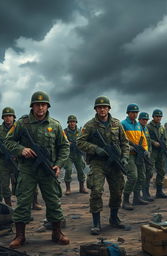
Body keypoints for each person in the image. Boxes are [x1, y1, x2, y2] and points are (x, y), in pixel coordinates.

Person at [5, 91, 70, 248]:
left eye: (43, 104)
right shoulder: (22, 123)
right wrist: (21, 149)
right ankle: (20, 236)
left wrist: (59, 164)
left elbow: (64, 146)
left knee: (54, 201)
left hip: (48, 169)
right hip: (27, 169)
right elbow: (8, 141)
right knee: (23, 202)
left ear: (47, 106)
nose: (40, 107)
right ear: (32, 106)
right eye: (37, 104)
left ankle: (57, 233)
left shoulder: (55, 125)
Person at [77, 96, 129, 235]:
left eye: (105, 107)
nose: (102, 109)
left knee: (117, 191)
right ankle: (96, 222)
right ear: (96, 109)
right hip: (97, 163)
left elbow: (124, 143)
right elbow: (80, 142)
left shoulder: (117, 124)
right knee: (96, 191)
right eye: (99, 107)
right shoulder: (89, 125)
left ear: (109, 108)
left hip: (115, 163)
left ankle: (114, 218)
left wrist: (124, 157)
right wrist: (95, 149)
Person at [121, 104, 149, 210]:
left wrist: (145, 150)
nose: (135, 114)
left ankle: (136, 198)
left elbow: (143, 139)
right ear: (128, 113)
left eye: (136, 112)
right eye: (132, 112)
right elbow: (120, 140)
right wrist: (128, 148)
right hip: (128, 155)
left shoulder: (138, 125)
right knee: (133, 176)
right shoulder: (123, 124)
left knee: (141, 176)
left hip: (139, 155)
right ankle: (126, 200)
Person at [147, 109, 167, 198]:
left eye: (160, 116)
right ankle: (146, 192)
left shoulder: (162, 128)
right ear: (153, 117)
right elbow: (146, 138)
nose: (158, 118)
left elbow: (166, 138)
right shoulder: (148, 127)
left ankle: (159, 192)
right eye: (157, 116)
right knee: (149, 171)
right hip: (152, 151)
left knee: (161, 171)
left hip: (160, 152)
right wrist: (153, 142)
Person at [64, 115, 87, 195]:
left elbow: (84, 141)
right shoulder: (64, 132)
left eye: (73, 122)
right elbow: (62, 142)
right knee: (68, 170)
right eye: (70, 122)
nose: (72, 123)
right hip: (68, 154)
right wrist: (68, 143)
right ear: (68, 123)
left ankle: (82, 188)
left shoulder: (80, 132)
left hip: (78, 153)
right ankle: (68, 189)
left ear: (76, 122)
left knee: (81, 170)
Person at [138, 112, 154, 202]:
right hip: (140, 156)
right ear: (139, 119)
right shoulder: (137, 128)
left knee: (149, 173)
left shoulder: (146, 129)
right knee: (141, 175)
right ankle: (139, 195)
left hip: (147, 155)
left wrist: (150, 152)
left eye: (146, 119)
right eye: (143, 119)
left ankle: (146, 193)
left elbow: (148, 142)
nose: (145, 121)